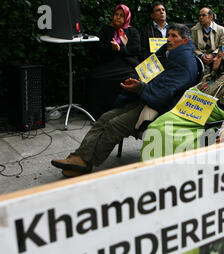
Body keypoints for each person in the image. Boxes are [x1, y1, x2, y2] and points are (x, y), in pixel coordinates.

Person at [51, 24, 198, 177]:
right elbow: (145, 71)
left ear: (185, 41)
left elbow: (166, 93)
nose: (168, 39)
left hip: (161, 106)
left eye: (174, 36)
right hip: (146, 97)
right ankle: (78, 157)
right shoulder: (166, 52)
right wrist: (136, 81)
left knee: (115, 125)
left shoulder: (184, 63)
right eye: (169, 35)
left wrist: (139, 87)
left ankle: (86, 162)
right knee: (104, 118)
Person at [141, 45, 224, 160]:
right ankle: (152, 165)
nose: (214, 59)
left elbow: (221, 113)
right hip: (190, 113)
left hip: (205, 122)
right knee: (156, 125)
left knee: (165, 133)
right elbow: (193, 93)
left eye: (219, 57)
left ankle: (168, 167)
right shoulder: (211, 76)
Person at [86, 4, 141, 118]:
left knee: (128, 77)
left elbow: (135, 49)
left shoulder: (132, 31)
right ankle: (98, 113)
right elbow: (99, 48)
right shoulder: (106, 29)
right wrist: (111, 48)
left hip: (126, 64)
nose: (118, 17)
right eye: (116, 14)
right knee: (95, 76)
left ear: (126, 17)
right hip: (109, 62)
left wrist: (120, 49)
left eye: (122, 15)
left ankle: (118, 111)